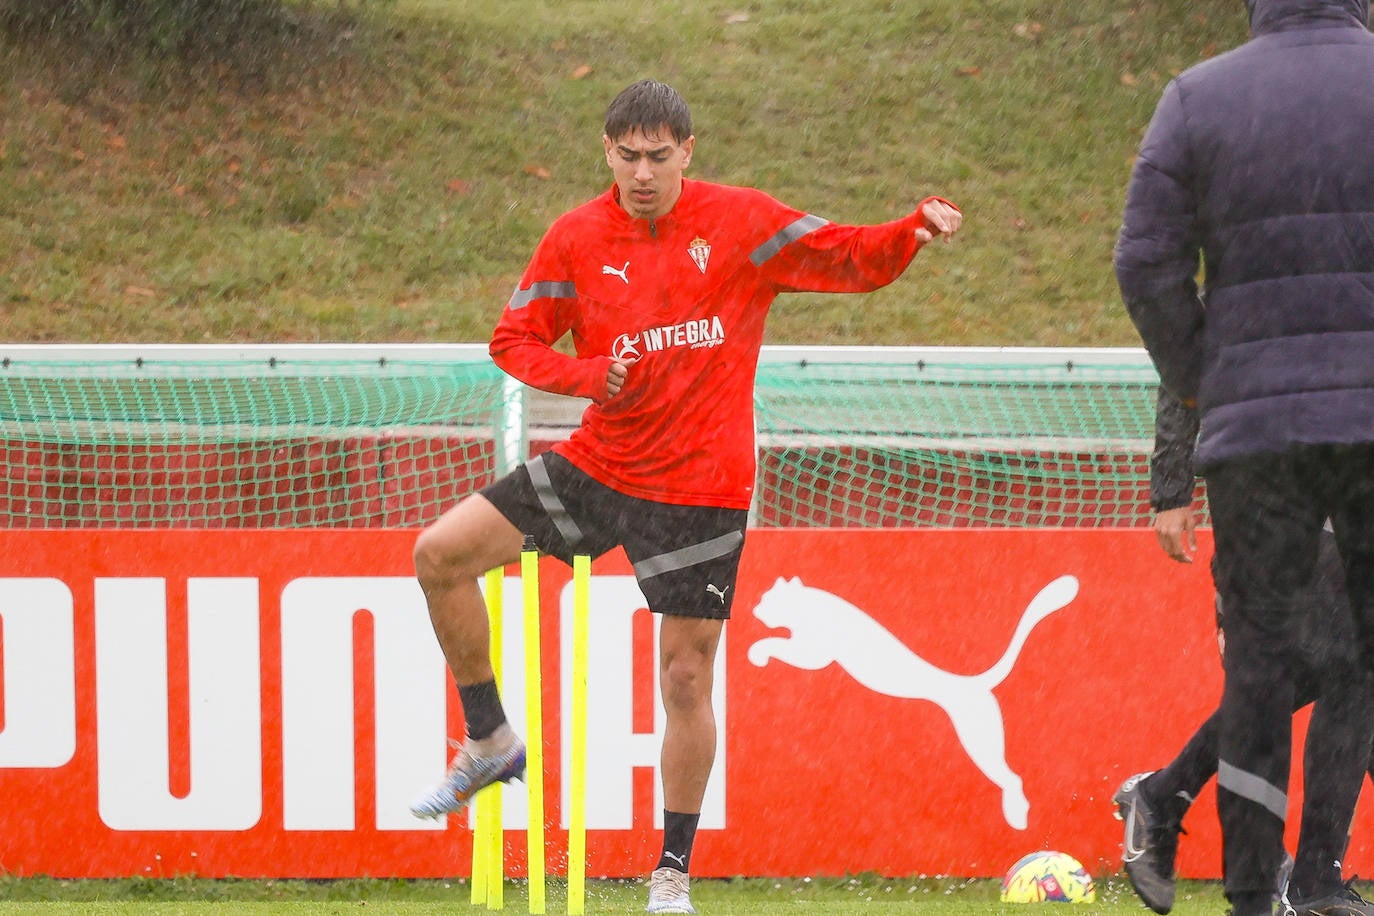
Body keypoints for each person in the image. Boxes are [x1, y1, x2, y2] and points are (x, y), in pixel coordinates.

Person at [407, 78, 962, 914]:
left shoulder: (740, 221)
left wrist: (911, 229)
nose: (641, 174)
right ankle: (488, 736)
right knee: (438, 554)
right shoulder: (576, 236)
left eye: (658, 158)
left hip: (703, 484)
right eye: (627, 157)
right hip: (601, 465)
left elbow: (845, 253)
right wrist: (589, 375)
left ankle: (671, 872)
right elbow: (512, 339)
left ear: (688, 153)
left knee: (686, 680)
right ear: (606, 153)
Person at [1114, 0, 1374, 912]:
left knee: (1278, 666)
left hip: (1256, 436)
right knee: (1343, 662)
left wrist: (1205, 390)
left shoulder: (1201, 97)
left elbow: (1148, 270)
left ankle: (1267, 885)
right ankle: (1304, 871)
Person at [1113, 388, 1374, 916]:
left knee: (1344, 673)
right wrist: (1170, 488)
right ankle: (1307, 878)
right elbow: (1184, 364)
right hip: (1277, 497)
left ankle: (1167, 799)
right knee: (1330, 668)